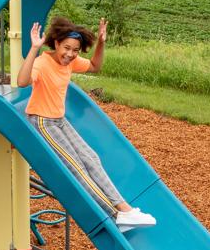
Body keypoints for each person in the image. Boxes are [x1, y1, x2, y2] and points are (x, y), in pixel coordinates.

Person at [15, 16, 156, 228]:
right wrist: (34, 48)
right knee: (77, 168)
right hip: (42, 122)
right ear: (56, 43)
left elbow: (94, 66)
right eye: (66, 48)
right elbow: (22, 81)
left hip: (59, 121)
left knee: (91, 158)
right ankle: (118, 215)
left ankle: (123, 208)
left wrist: (101, 41)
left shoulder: (69, 62)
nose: (70, 54)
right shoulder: (42, 63)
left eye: (75, 50)